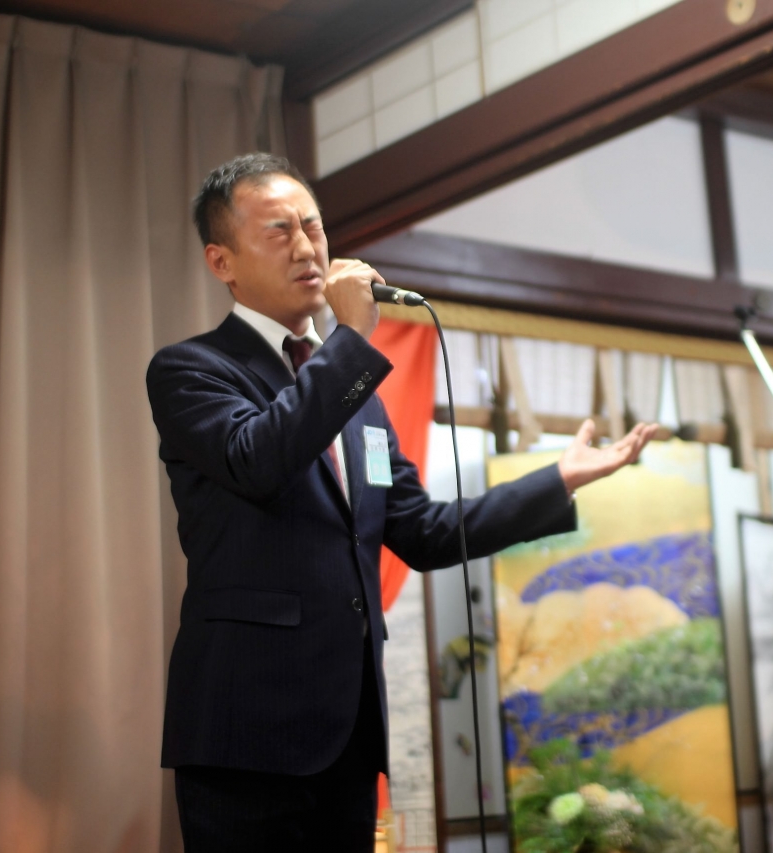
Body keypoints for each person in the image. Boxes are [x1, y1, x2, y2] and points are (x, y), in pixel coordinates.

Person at [145, 153, 657, 852]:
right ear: (222, 261)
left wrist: (557, 480)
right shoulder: (193, 369)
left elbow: (424, 531)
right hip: (246, 733)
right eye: (278, 231)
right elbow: (258, 460)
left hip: (349, 733)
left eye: (313, 227)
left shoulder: (357, 398)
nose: (306, 248)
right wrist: (351, 339)